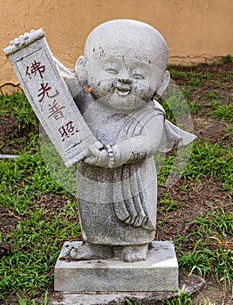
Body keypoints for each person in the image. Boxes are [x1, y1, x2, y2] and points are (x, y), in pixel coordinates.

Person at [59, 19, 196, 262]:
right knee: (93, 210)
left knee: (136, 213)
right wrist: (33, 59)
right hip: (93, 175)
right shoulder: (88, 103)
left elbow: (146, 143)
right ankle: (96, 244)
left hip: (133, 179)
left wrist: (112, 154)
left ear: (161, 83)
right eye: (111, 70)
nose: (124, 79)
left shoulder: (151, 113)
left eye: (139, 74)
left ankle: (136, 243)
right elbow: (57, 92)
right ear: (85, 70)